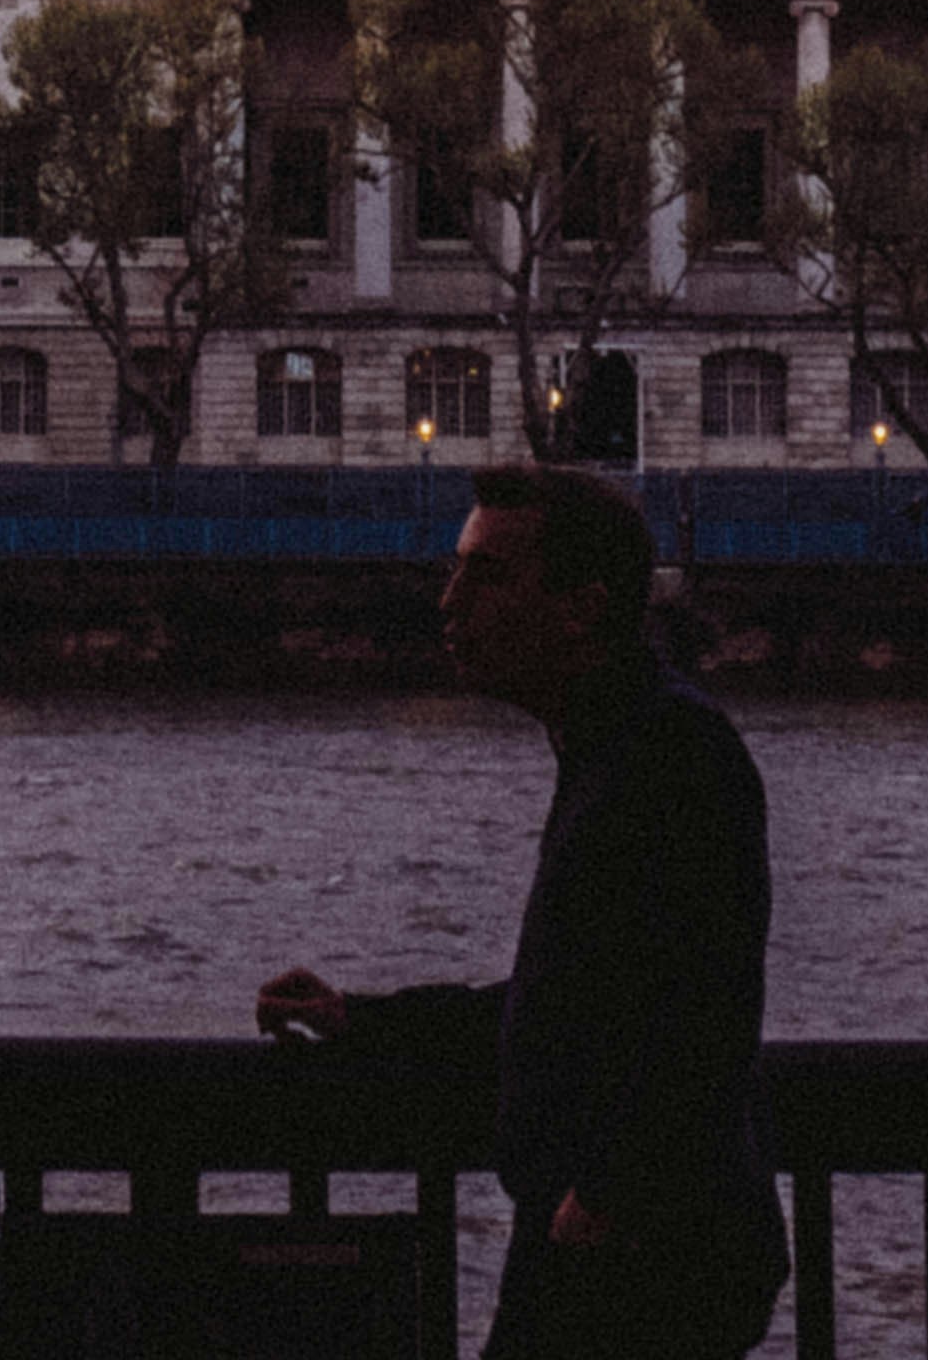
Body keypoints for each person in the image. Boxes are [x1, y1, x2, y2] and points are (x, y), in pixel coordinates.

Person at [258, 466, 779, 1360]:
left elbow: (711, 1007)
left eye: (487, 575)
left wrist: (606, 1195)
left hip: (634, 1249)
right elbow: (577, 1001)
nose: (450, 602)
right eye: (457, 570)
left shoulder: (670, 751)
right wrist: (363, 1020)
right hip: (625, 1232)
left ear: (583, 608)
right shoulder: (627, 743)